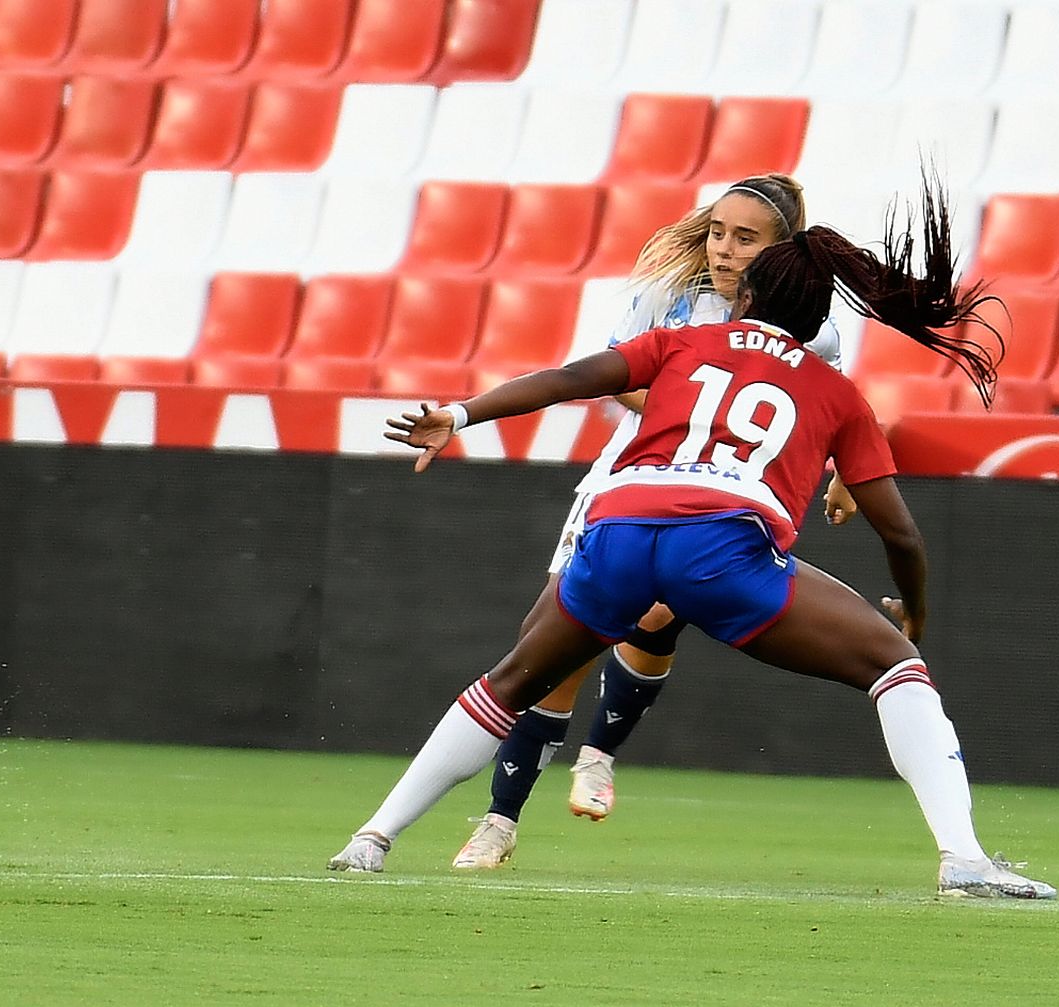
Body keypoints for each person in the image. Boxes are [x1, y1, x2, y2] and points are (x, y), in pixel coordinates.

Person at [331, 175, 1058, 899]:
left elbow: (564, 378)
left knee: (513, 678)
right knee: (895, 668)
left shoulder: (682, 339)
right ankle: (962, 861)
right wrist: (917, 610)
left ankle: (373, 836)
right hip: (720, 543)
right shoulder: (837, 390)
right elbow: (899, 528)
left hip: (620, 524)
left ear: (751, 293)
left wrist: (458, 416)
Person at [326, 174, 852, 872]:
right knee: (553, 651)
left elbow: (829, 407)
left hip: (725, 495)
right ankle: (498, 819)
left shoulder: (814, 331)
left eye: (745, 238)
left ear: (781, 249)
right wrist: (695, 400)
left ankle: (599, 752)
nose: (725, 250)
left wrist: (841, 472)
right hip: (628, 473)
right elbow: (614, 374)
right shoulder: (666, 298)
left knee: (662, 609)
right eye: (719, 232)